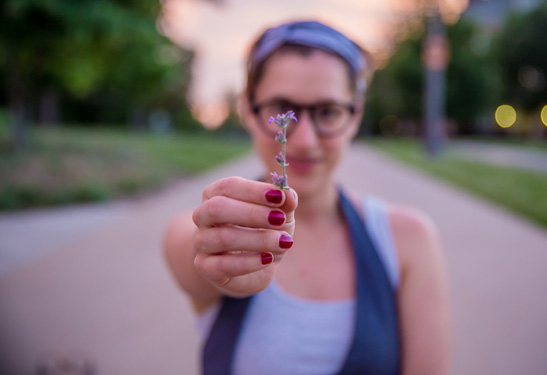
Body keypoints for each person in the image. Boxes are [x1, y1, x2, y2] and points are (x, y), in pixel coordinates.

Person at [163, 20, 451, 375]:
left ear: (355, 116)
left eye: (328, 112)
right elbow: (189, 249)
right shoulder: (211, 224)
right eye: (283, 109)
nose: (303, 141)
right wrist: (214, 253)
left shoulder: (408, 240)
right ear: (248, 111)